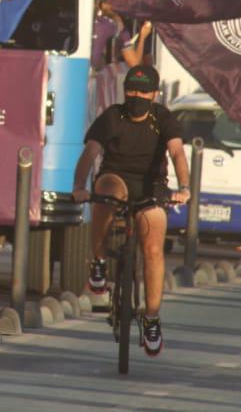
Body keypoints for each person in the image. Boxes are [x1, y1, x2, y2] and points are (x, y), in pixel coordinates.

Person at [72, 64, 191, 357]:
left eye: (143, 91)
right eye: (131, 90)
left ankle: (151, 318)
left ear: (155, 93)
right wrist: (79, 185)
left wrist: (184, 187)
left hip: (151, 186)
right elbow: (90, 152)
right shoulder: (113, 115)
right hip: (116, 176)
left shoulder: (162, 118)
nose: (136, 96)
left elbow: (176, 151)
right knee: (106, 194)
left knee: (153, 244)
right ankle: (98, 261)